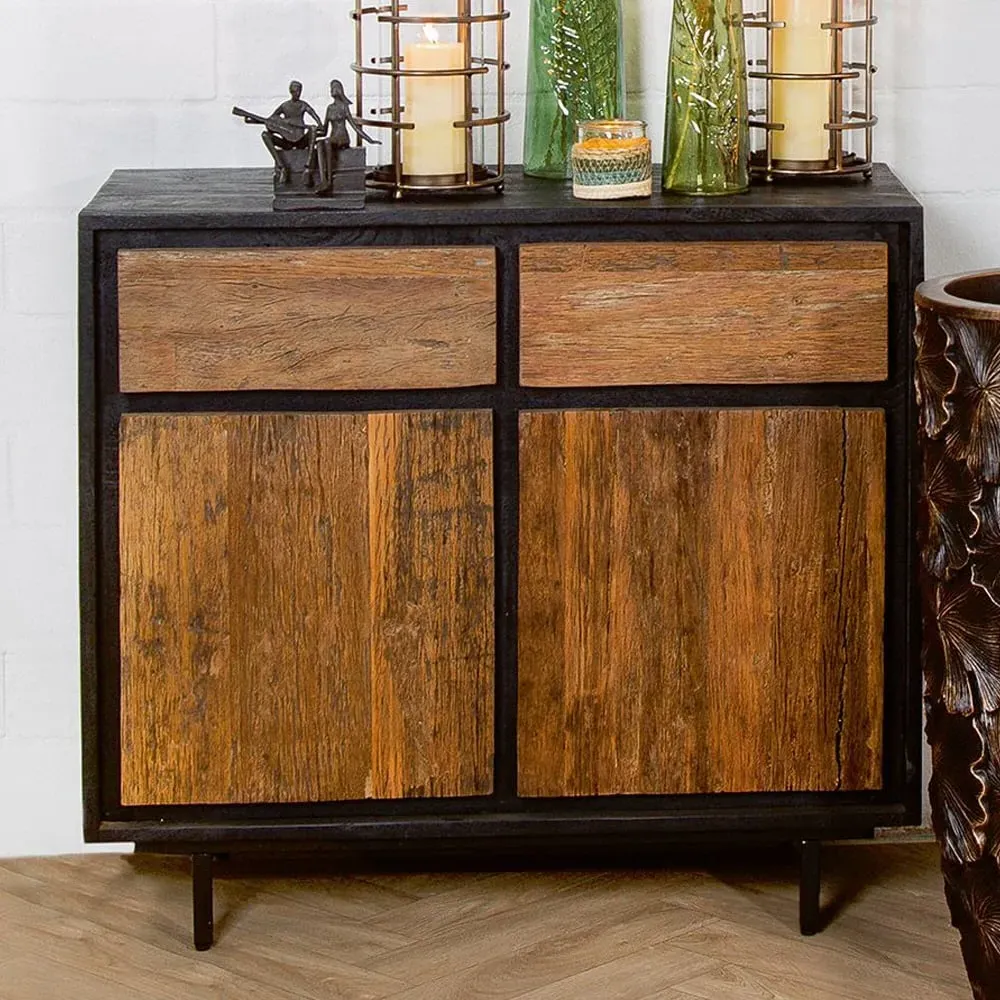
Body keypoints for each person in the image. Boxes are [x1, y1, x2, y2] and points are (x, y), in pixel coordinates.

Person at [316, 80, 380, 191]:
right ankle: (323, 180)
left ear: (340, 90)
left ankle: (330, 181)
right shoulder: (329, 108)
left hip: (342, 138)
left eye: (335, 87)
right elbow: (324, 130)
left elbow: (354, 126)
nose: (332, 90)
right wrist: (312, 132)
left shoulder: (344, 107)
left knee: (326, 142)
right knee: (320, 143)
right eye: (331, 88)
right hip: (332, 137)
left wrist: (370, 140)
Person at [262, 81, 322, 183]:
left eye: (299, 91)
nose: (297, 93)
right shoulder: (284, 106)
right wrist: (281, 124)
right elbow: (272, 119)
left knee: (312, 130)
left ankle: (308, 167)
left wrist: (319, 124)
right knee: (265, 135)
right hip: (286, 141)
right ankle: (282, 167)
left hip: (301, 141)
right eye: (295, 91)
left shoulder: (303, 105)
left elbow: (314, 114)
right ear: (291, 91)